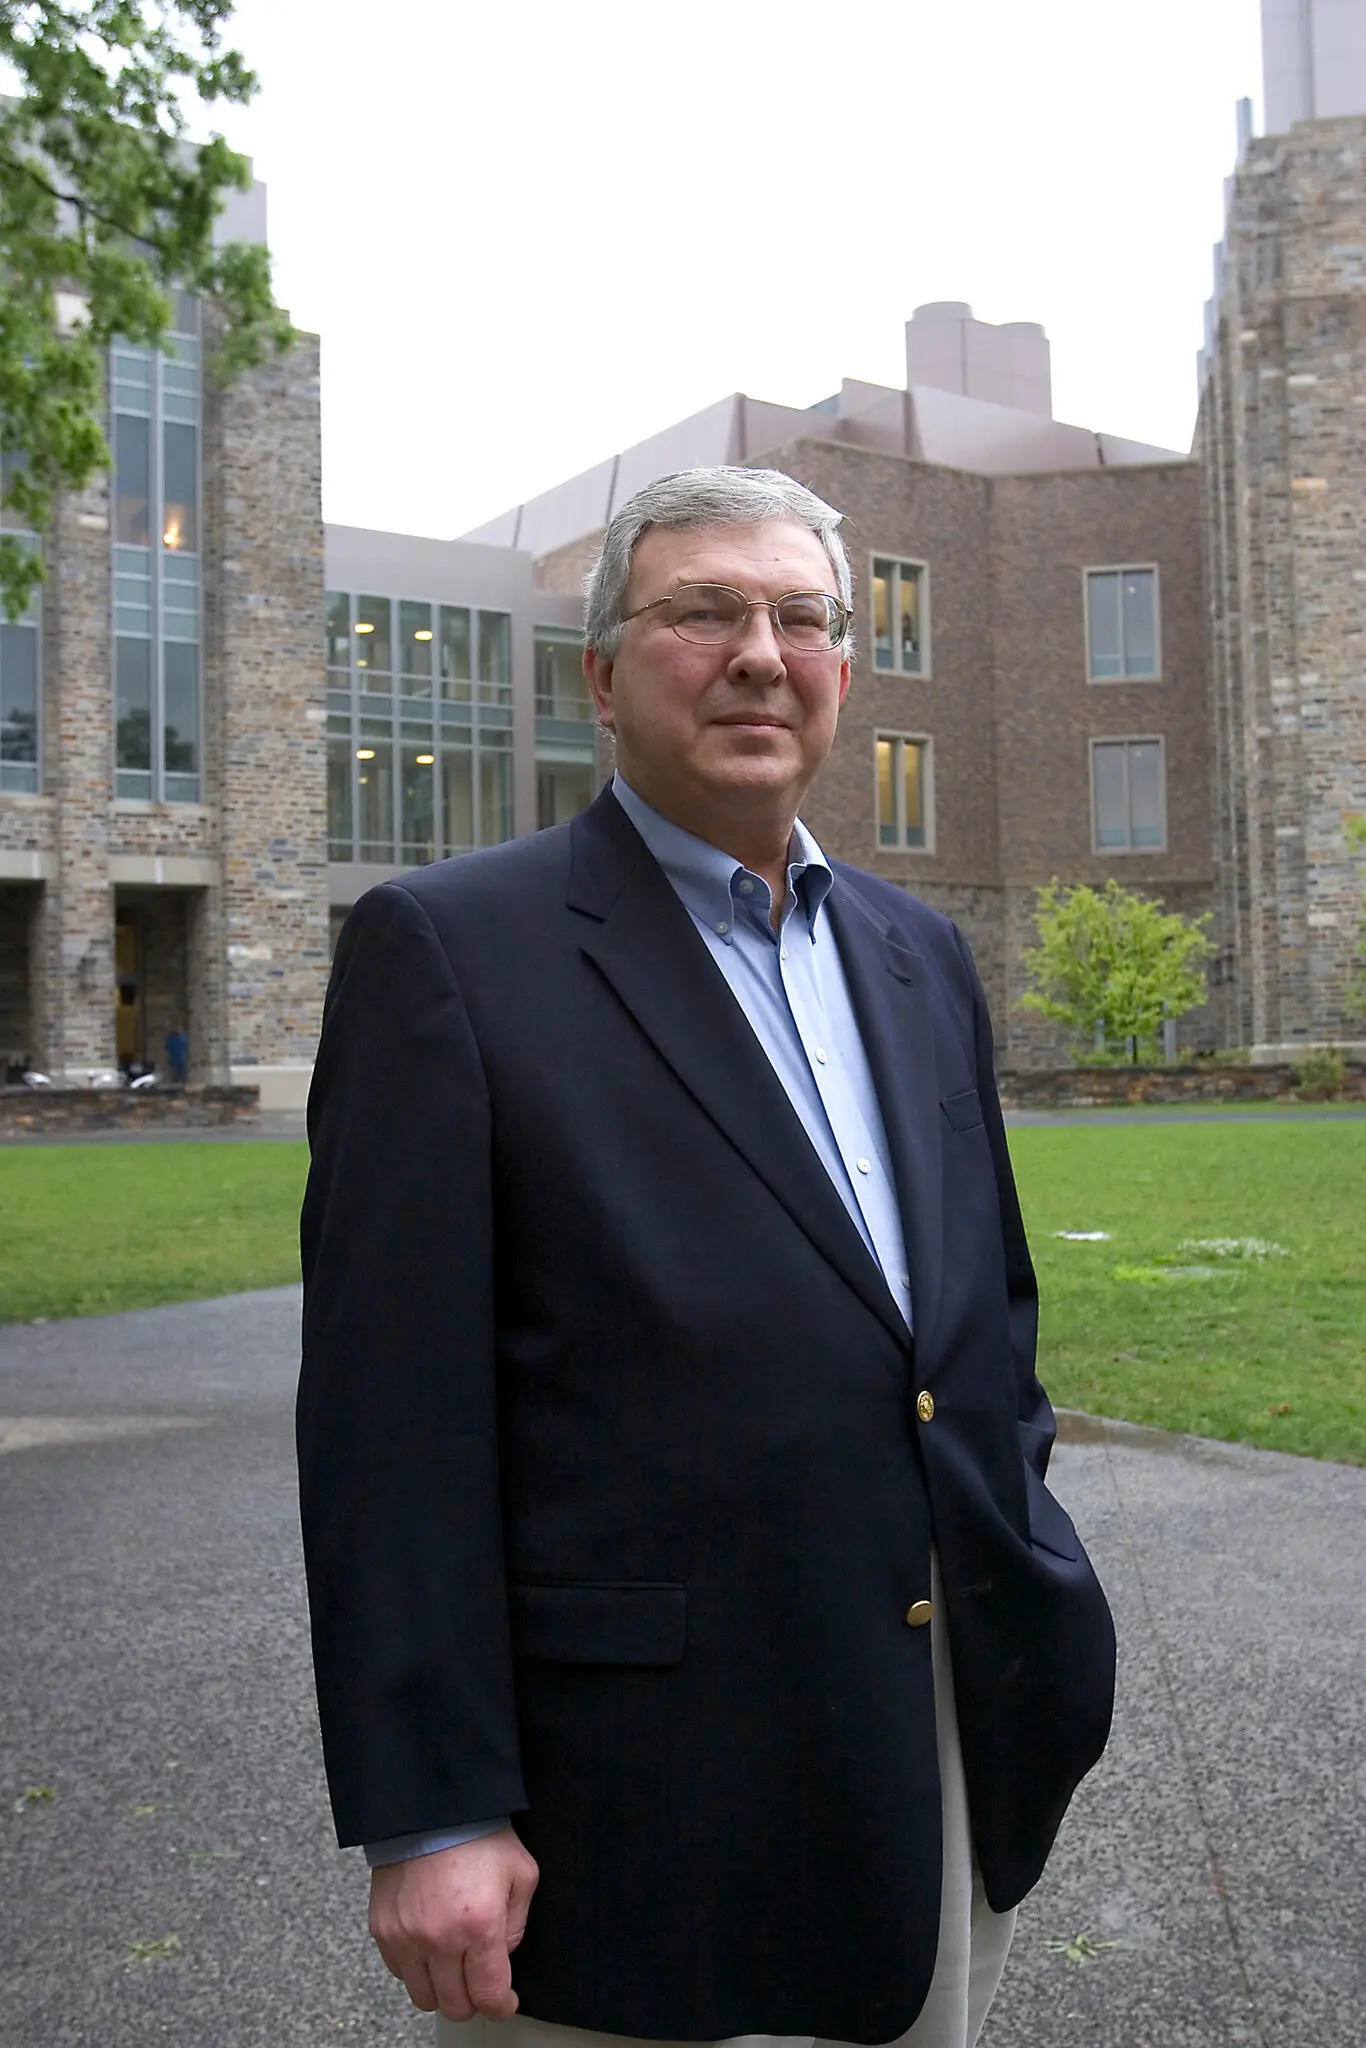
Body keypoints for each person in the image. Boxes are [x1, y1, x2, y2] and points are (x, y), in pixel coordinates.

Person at [298, 466, 1116, 2048]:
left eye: (800, 617)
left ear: (842, 672)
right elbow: (390, 1430)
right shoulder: (448, 954)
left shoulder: (915, 952)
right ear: (600, 675)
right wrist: (431, 1810)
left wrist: (1037, 1584)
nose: (759, 651)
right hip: (640, 1807)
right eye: (701, 612)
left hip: (936, 1755)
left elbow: (979, 1327)